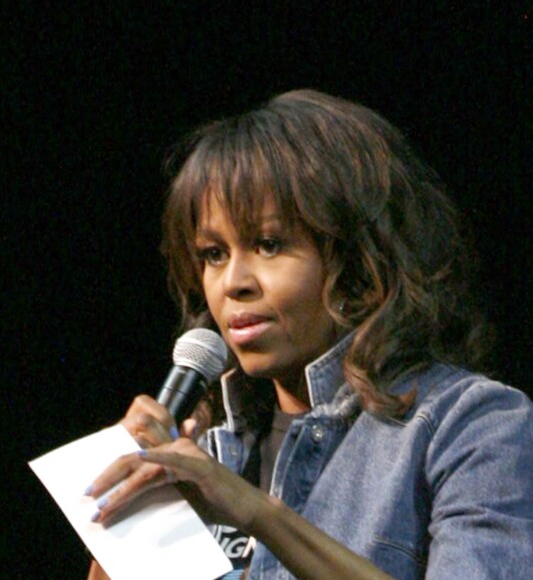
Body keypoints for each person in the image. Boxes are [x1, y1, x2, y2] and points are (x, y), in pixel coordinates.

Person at [85, 90, 533, 579]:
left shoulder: (469, 425)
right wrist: (124, 535)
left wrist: (259, 513)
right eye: (213, 253)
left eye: (268, 245)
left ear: (358, 259)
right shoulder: (208, 450)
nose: (234, 281)